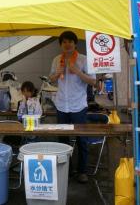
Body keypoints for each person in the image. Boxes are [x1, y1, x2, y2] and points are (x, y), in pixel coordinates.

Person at [49, 31, 96, 183]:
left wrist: (77, 71)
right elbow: (51, 79)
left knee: (82, 140)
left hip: (78, 106)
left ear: (75, 43)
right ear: (61, 45)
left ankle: (82, 171)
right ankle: (66, 170)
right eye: (64, 42)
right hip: (62, 105)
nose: (67, 44)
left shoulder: (83, 60)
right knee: (62, 139)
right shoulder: (57, 59)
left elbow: (93, 81)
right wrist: (56, 74)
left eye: (70, 41)